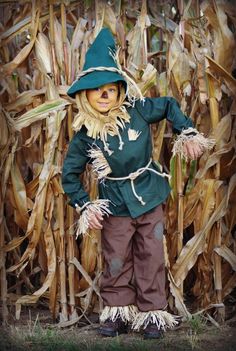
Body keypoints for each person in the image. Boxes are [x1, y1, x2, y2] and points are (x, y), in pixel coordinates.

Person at [62, 28, 214, 339]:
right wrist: (85, 204)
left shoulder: (137, 112)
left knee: (151, 255)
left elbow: (170, 104)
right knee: (116, 258)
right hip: (114, 203)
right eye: (97, 90)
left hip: (149, 194)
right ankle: (118, 312)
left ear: (121, 91)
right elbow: (69, 175)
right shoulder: (85, 135)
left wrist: (186, 131)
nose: (105, 95)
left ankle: (152, 314)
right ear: (84, 95)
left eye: (111, 89)